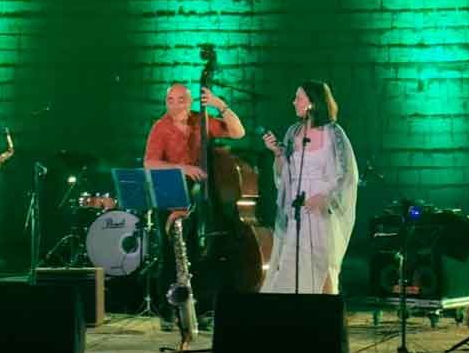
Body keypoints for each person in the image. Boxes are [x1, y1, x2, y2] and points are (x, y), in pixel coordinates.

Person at [144, 82, 245, 329]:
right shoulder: (160, 126)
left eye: (181, 100)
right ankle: (169, 312)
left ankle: (201, 309)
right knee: (172, 253)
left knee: (202, 253)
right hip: (171, 189)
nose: (175, 105)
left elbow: (238, 132)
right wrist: (184, 168)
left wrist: (220, 105)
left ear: (189, 102)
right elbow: (150, 163)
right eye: (170, 100)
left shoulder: (202, 119)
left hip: (202, 193)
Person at [260, 80, 357, 294]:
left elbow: (347, 175)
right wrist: (277, 153)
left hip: (320, 211)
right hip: (297, 208)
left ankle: (325, 314)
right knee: (291, 264)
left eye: (299, 98)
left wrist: (325, 198)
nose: (294, 102)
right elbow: (286, 174)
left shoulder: (334, 133)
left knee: (322, 266)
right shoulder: (293, 132)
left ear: (313, 103)